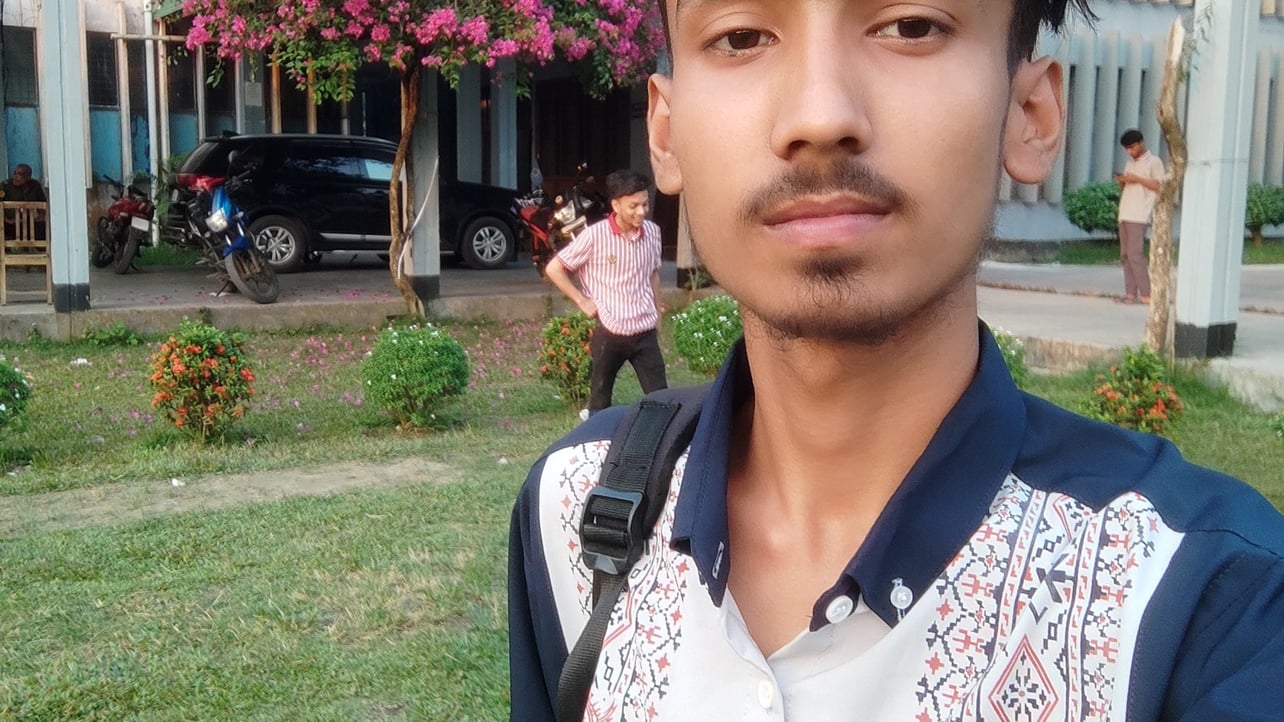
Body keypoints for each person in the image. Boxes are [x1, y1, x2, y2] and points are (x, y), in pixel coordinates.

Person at [510, 1, 1284, 720]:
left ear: (1029, 114)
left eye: (911, 25)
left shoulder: (1204, 602)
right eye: (741, 36)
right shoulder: (575, 509)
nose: (819, 117)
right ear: (667, 132)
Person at [543, 169, 667, 416]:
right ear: (616, 205)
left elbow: (653, 273)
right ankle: (597, 434)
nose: (641, 212)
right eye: (633, 206)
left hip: (644, 330)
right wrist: (581, 300)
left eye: (645, 204)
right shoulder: (594, 236)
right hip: (610, 330)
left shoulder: (653, 232)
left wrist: (657, 311)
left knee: (662, 400)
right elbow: (554, 268)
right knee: (599, 401)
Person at [1114, 129, 1163, 304]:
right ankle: (1130, 293)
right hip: (1125, 212)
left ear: (1141, 143)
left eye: (1133, 147)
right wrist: (1123, 181)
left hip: (1140, 213)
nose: (1130, 151)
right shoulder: (1129, 163)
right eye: (1127, 149)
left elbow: (1159, 185)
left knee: (1135, 254)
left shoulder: (1154, 162)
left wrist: (1137, 179)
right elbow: (1127, 188)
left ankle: (1146, 293)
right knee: (1125, 255)